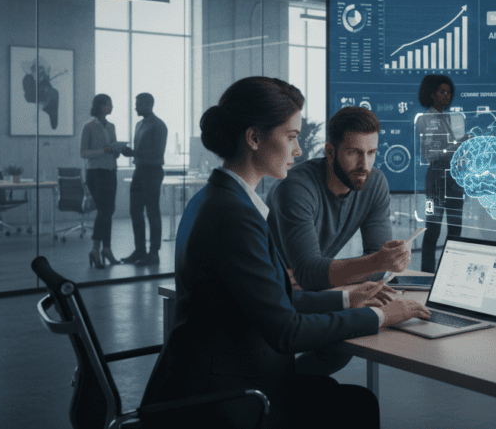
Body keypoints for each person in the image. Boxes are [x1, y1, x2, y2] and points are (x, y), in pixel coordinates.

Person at [141, 77, 430, 429]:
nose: (297, 150)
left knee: (349, 399)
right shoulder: (235, 216)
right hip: (227, 397)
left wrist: (347, 300)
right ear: (254, 138)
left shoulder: (216, 199)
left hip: (215, 378)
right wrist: (383, 316)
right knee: (357, 406)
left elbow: (275, 301)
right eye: (291, 137)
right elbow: (286, 332)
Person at [266, 106, 412, 375]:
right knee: (354, 326)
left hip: (314, 289)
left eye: (371, 153)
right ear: (330, 151)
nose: (364, 165)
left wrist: (327, 274)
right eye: (354, 152)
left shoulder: (375, 183)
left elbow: (379, 269)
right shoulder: (296, 187)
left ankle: (288, 386)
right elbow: (312, 272)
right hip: (272, 295)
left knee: (350, 335)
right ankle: (282, 389)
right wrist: (367, 265)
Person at [415, 74, 466, 273]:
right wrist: (455, 148)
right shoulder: (426, 119)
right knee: (433, 229)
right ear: (431, 94)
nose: (447, 96)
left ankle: (450, 274)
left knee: (455, 230)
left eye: (449, 92)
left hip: (455, 176)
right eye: (442, 92)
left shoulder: (453, 118)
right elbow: (428, 155)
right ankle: (427, 275)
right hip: (437, 175)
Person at [120, 93, 168, 265]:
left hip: (153, 171)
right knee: (135, 211)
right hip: (139, 171)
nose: (135, 108)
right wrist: (130, 152)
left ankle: (153, 253)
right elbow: (142, 150)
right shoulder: (139, 125)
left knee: (152, 212)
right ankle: (140, 250)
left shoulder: (159, 125)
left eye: (138, 104)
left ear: (148, 105)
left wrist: (133, 152)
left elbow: (158, 151)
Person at [80, 94, 121, 269]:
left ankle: (107, 249)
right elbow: (84, 153)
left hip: (111, 171)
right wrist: (105, 150)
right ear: (99, 106)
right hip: (95, 173)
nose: (111, 107)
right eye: (107, 104)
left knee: (109, 211)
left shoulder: (111, 126)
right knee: (103, 211)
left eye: (111, 104)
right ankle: (96, 250)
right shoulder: (88, 126)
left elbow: (113, 150)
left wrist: (118, 150)